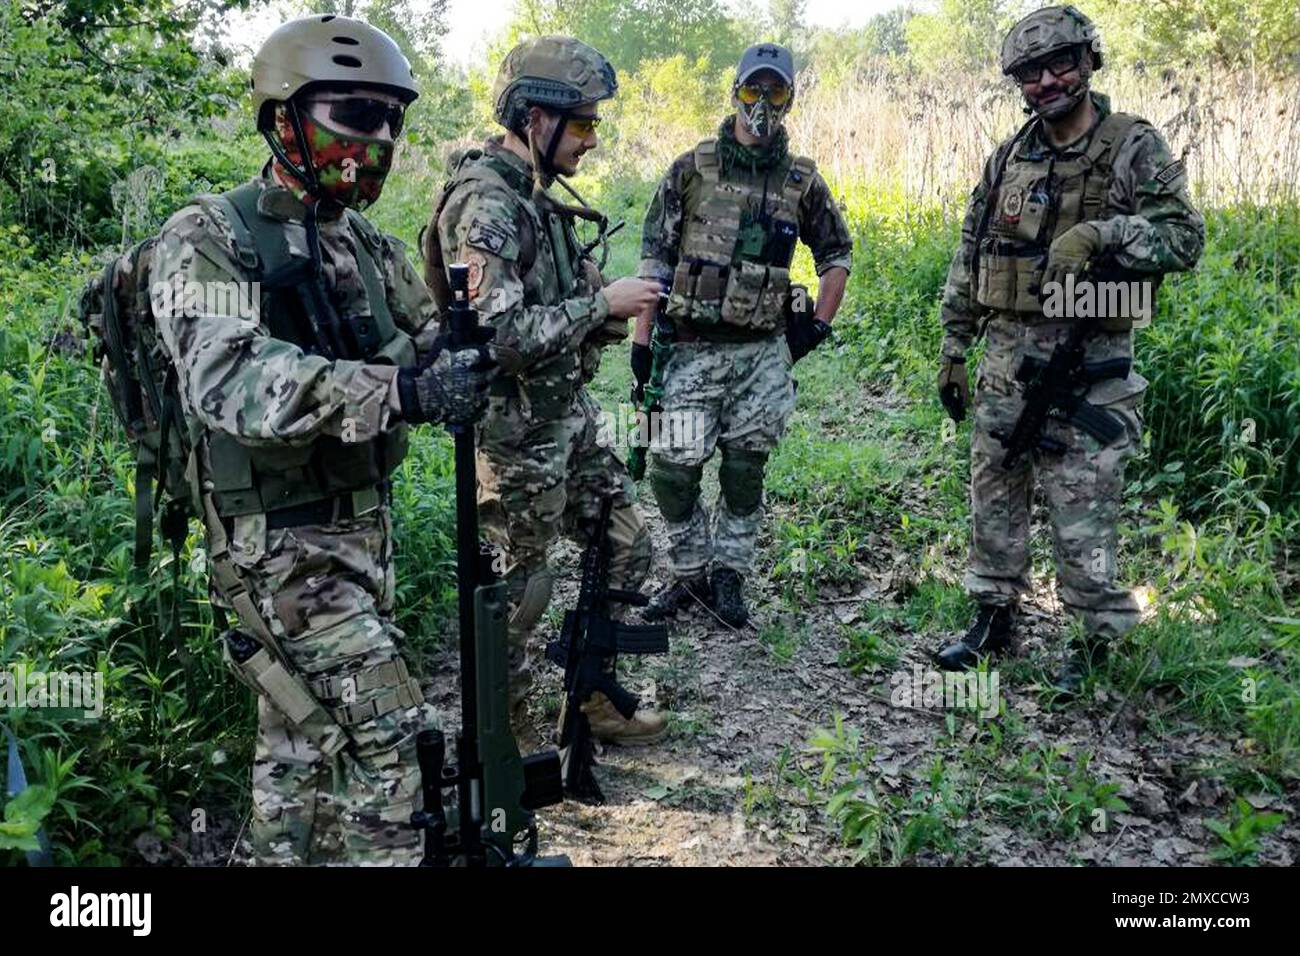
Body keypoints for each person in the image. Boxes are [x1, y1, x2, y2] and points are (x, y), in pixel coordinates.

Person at [150, 14, 493, 864]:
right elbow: (229, 379)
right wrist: (401, 389)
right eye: (352, 114)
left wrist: (465, 345)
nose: (372, 140)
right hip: (277, 546)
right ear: (283, 119)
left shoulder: (363, 241)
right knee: (396, 743)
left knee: (303, 751)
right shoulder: (210, 238)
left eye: (387, 121)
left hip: (357, 535)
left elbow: (424, 337)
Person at [932, 5, 1203, 693]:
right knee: (994, 492)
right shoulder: (1010, 156)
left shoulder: (1131, 145)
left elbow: (1184, 239)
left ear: (1088, 62)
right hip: (1005, 362)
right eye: (1030, 72)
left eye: (1060, 64)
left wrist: (1104, 237)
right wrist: (954, 346)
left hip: (1091, 366)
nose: (1046, 81)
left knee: (1084, 509)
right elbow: (972, 253)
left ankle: (1098, 638)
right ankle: (994, 615)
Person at [425, 35, 667, 744]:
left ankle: (592, 695)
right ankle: (507, 745)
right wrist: (600, 306)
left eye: (596, 124)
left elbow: (553, 301)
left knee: (624, 543)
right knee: (518, 596)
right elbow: (497, 338)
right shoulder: (487, 205)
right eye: (583, 123)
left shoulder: (537, 197)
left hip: (567, 415)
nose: (593, 140)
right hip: (516, 431)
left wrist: (606, 300)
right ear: (535, 118)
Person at [636, 42, 852, 628]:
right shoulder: (691, 168)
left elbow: (837, 253)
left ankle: (729, 576)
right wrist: (641, 340)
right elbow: (655, 257)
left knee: (743, 469)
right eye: (753, 89)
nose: (762, 102)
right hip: (689, 348)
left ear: (790, 99)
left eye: (775, 92)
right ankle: (691, 575)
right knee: (671, 472)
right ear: (735, 92)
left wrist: (819, 327)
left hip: (760, 355)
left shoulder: (801, 180)